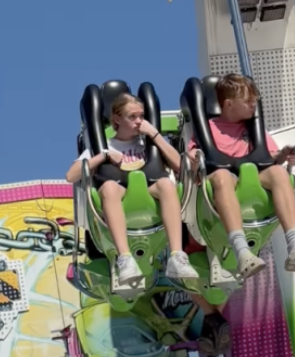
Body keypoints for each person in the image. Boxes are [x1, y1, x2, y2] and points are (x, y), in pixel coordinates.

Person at [188, 74, 295, 278]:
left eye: (255, 100)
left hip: (254, 179)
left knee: (277, 173)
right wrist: (193, 159)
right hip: (225, 181)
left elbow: (270, 158)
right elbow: (194, 157)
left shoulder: (254, 130)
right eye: (248, 101)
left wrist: (284, 156)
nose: (253, 105)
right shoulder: (208, 129)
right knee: (222, 176)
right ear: (229, 104)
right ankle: (242, 252)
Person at [66, 92, 198, 293]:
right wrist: (103, 156)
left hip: (149, 199)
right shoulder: (105, 145)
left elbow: (180, 166)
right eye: (132, 117)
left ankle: (177, 256)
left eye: (141, 117)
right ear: (117, 119)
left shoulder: (148, 144)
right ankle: (124, 258)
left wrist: (155, 134)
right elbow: (71, 175)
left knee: (167, 184)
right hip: (120, 197)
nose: (138, 122)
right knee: (109, 187)